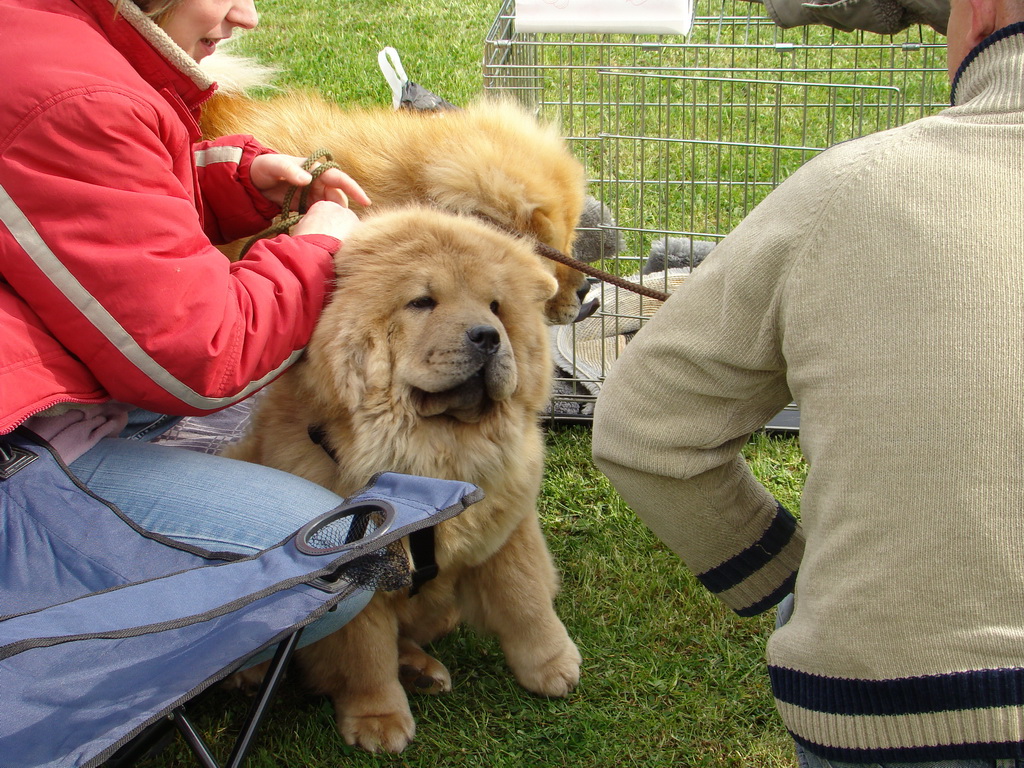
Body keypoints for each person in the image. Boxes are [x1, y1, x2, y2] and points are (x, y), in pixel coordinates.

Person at [591, 0, 1024, 763]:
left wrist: (788, 575)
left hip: (889, 704)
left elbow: (640, 426)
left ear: (981, 17)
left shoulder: (851, 185)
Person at [0, 0, 379, 646]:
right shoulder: (74, 98)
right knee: (341, 556)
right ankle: (42, 635)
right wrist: (317, 251)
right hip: (17, 455)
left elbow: (95, 210)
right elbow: (204, 358)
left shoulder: (40, 36)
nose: (247, 16)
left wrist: (235, 183)